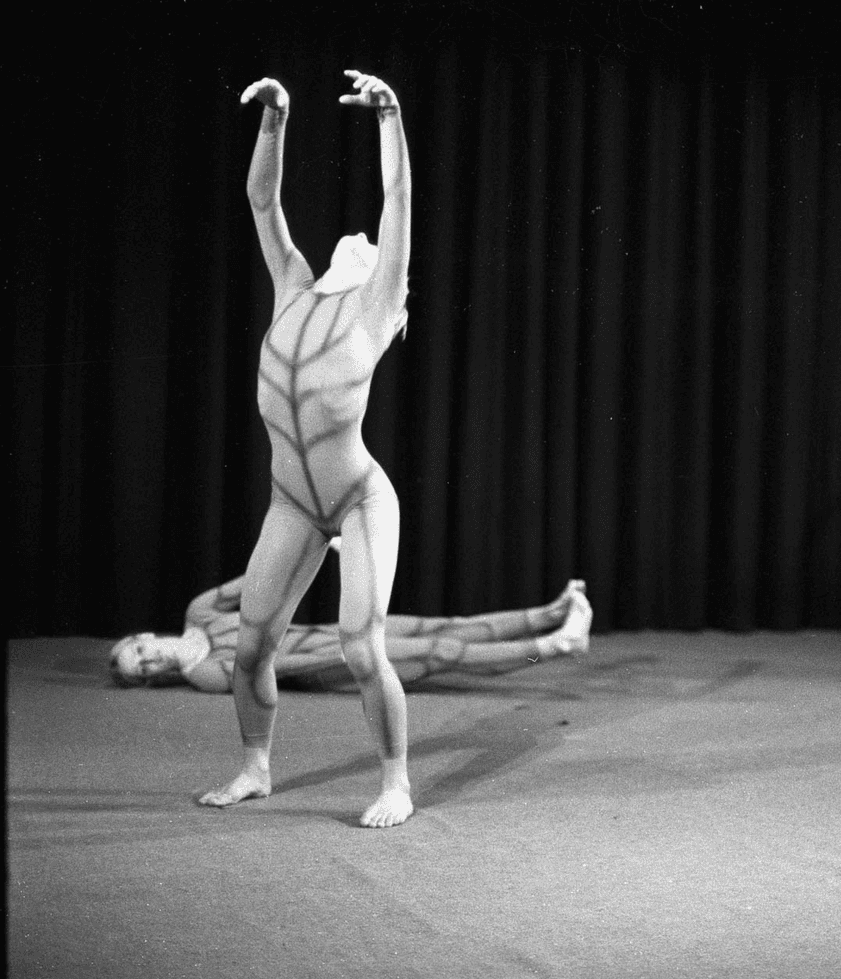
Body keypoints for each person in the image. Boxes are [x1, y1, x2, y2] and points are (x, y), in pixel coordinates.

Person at [206, 70, 417, 826]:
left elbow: (395, 204)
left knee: (362, 646)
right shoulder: (294, 284)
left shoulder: (371, 308)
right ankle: (256, 766)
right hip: (293, 501)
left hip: (358, 497)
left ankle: (395, 781)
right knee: (250, 647)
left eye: (372, 249)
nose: (357, 237)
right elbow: (263, 202)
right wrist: (276, 120)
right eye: (354, 240)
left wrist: (389, 116)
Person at [111, 559, 591, 692]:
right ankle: (555, 646)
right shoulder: (207, 675)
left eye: (141, 655)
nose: (152, 662)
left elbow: (259, 580)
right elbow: (288, 663)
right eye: (146, 672)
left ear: (143, 638)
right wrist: (360, 652)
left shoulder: (199, 612)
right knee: (441, 654)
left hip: (331, 632)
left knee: (442, 626)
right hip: (334, 666)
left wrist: (314, 549)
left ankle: (549, 614)